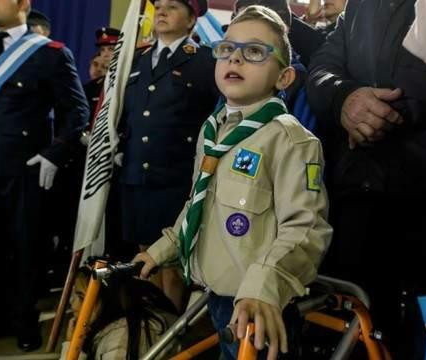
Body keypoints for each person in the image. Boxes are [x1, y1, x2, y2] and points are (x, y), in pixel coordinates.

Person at [133, 6, 332, 359]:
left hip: (262, 305)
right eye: (227, 49)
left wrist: (264, 288)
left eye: (254, 52)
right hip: (217, 296)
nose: (235, 59)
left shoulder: (290, 140)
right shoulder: (213, 132)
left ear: (284, 78)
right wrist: (162, 250)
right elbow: (199, 203)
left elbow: (306, 228)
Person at [307, 0, 426, 358]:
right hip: (361, 200)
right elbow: (323, 64)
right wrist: (343, 98)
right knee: (358, 331)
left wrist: (383, 115)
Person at [0, 0, 89, 352]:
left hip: (24, 171)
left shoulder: (49, 53)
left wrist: (53, 154)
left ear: (23, 5)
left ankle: (24, 322)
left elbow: (76, 110)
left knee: (25, 247)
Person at [115, 0, 219, 311]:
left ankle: (169, 330)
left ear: (191, 21)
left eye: (171, 6)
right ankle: (149, 325)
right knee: (144, 258)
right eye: (158, 6)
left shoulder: (205, 61)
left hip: (176, 177)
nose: (160, 11)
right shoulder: (136, 60)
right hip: (136, 175)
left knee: (171, 261)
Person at [59, 264, 179, 360]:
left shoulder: (120, 338)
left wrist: (71, 347)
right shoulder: (114, 328)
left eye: (81, 296)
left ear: (107, 300)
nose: (72, 302)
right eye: (73, 295)